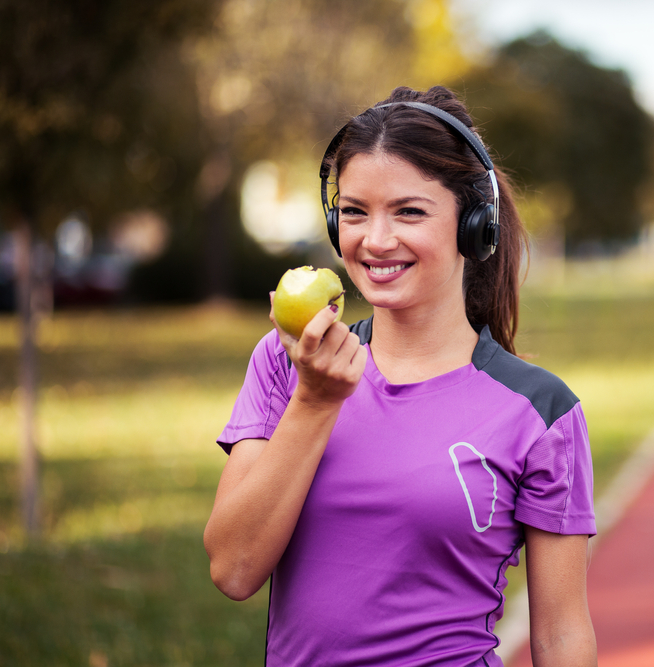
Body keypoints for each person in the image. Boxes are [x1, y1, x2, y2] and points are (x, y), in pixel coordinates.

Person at [203, 85, 598, 666]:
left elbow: (561, 635)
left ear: (474, 226)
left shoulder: (541, 413)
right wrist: (314, 402)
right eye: (356, 212)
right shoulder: (288, 359)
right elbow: (233, 569)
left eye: (409, 211)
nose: (376, 240)